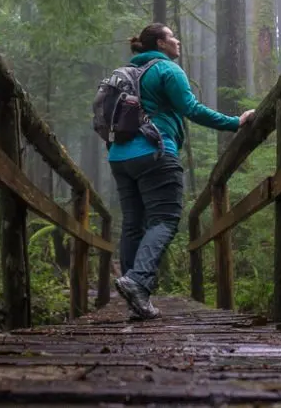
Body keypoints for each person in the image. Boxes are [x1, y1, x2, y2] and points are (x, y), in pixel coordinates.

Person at [108, 22, 254, 320]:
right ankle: (137, 281)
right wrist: (234, 122)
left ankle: (137, 297)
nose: (178, 40)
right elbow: (192, 109)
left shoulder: (125, 74)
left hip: (120, 157)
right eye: (172, 36)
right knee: (165, 219)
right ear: (161, 44)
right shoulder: (167, 70)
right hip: (155, 152)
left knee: (134, 224)